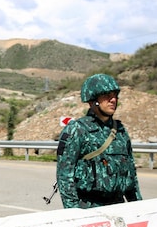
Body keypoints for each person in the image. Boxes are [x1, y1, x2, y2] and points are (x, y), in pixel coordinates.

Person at [56, 74, 142, 209]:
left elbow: (131, 174)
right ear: (93, 100)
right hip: (89, 209)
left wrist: (138, 208)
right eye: (107, 96)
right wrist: (73, 213)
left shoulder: (120, 130)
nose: (113, 100)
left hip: (119, 207)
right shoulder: (77, 130)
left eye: (115, 96)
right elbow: (65, 176)